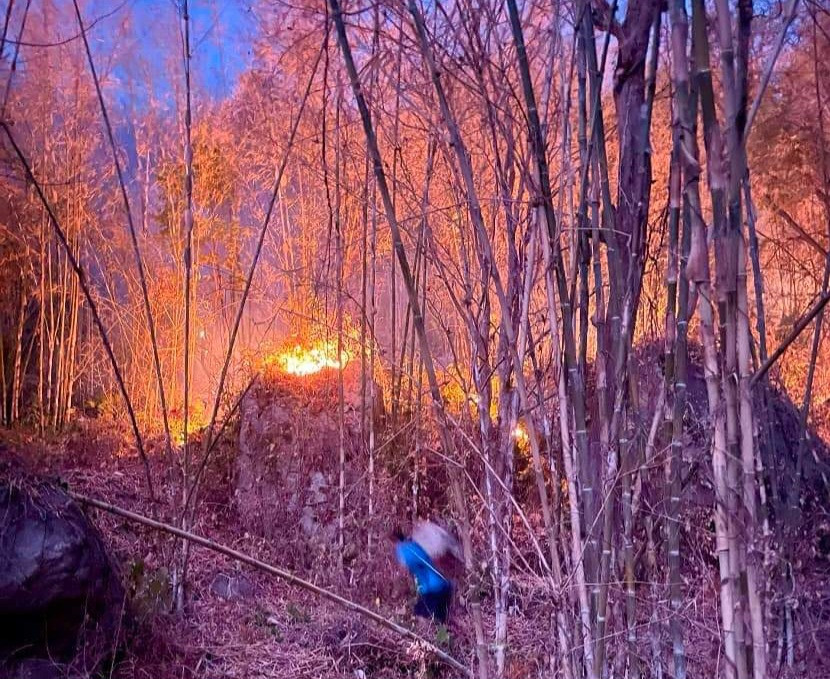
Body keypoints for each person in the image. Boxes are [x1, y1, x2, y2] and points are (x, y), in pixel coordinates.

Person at [393, 521, 459, 623]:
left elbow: (405, 564)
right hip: (443, 586)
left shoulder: (405, 549)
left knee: (421, 615)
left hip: (433, 589)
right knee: (442, 622)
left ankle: (426, 638)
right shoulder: (416, 546)